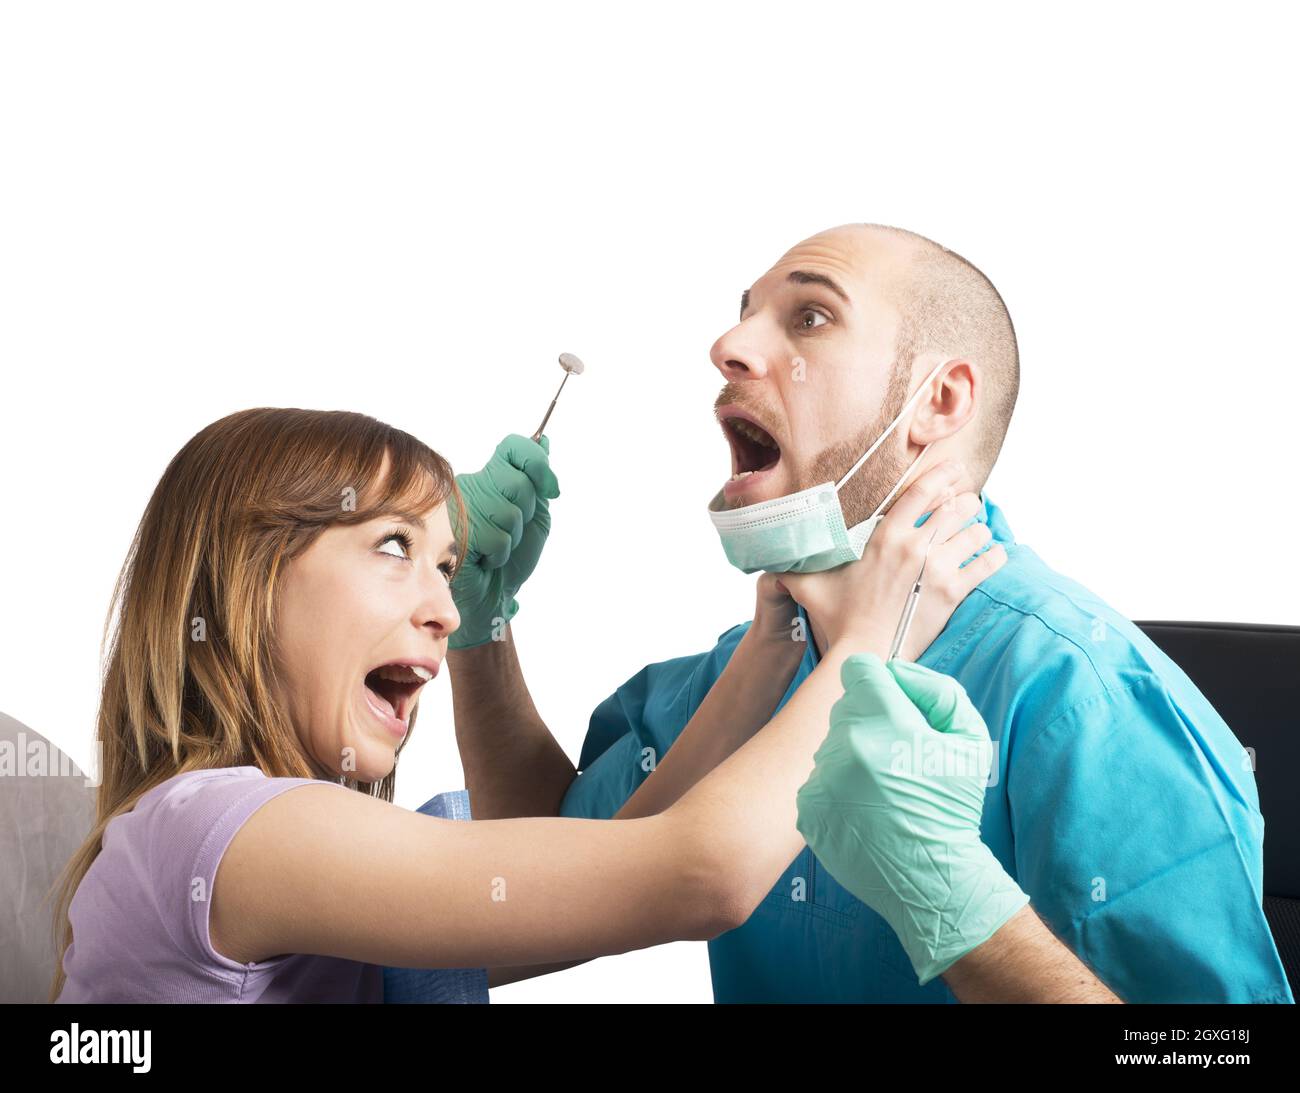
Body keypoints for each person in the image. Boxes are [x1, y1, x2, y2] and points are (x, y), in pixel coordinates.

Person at [450, 223, 1293, 1004]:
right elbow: (541, 878)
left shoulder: (1084, 697)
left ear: (940, 401)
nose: (727, 345)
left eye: (809, 317)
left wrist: (962, 909)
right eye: (742, 317)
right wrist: (479, 627)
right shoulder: (741, 676)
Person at [49, 406, 995, 1003]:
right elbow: (693, 874)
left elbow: (626, 847)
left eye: (449, 565)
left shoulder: (298, 873)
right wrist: (873, 644)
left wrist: (772, 642)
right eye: (392, 547)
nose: (445, 605)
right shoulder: (227, 831)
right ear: (248, 579)